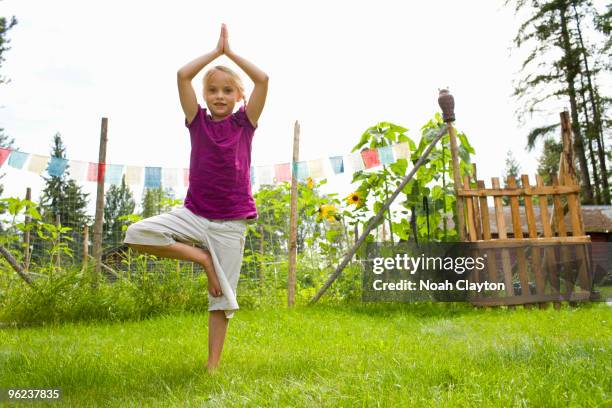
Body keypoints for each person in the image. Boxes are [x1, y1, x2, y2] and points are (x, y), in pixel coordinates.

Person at [123, 23, 268, 372]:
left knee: (221, 299)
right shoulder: (197, 121)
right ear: (205, 96)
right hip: (195, 214)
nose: (220, 95)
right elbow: (182, 75)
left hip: (230, 224)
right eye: (213, 90)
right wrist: (214, 53)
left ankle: (212, 366)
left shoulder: (245, 124)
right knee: (136, 234)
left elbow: (263, 80)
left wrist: (230, 54)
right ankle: (203, 259)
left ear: (238, 97)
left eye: (227, 90)